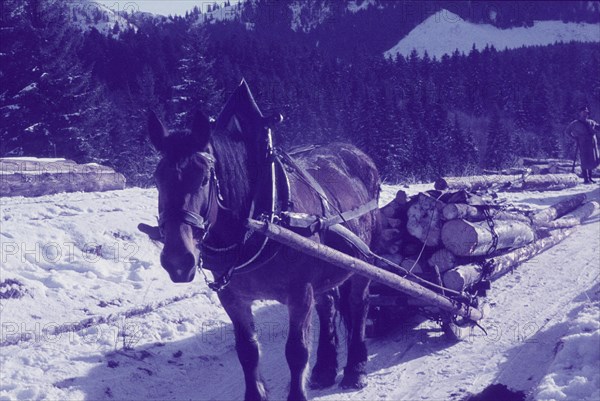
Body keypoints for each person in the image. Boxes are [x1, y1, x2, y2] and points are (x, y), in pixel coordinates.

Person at [565, 106, 600, 184]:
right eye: (583, 112)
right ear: (579, 113)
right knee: (584, 160)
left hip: (592, 143)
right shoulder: (575, 123)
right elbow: (567, 132)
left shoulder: (591, 122)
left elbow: (598, 127)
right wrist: (574, 138)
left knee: (592, 159)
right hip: (583, 143)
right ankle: (586, 179)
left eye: (586, 113)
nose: (585, 114)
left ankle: (590, 178)